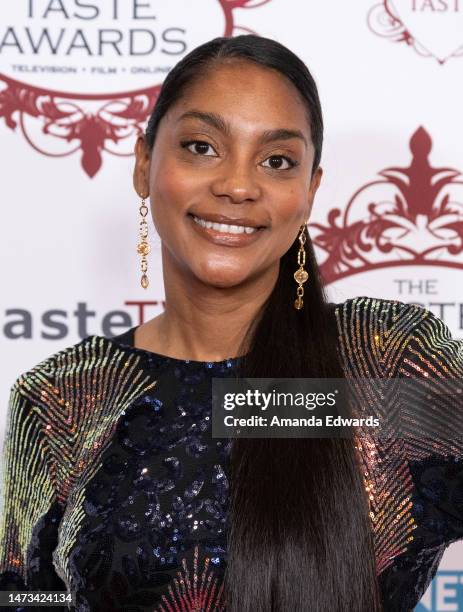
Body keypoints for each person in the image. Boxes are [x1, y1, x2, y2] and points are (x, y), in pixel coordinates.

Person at [0, 34, 462, 612]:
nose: (238, 186)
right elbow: (27, 596)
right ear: (144, 166)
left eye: (277, 161)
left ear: (310, 191)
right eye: (201, 146)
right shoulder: (61, 397)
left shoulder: (384, 360)